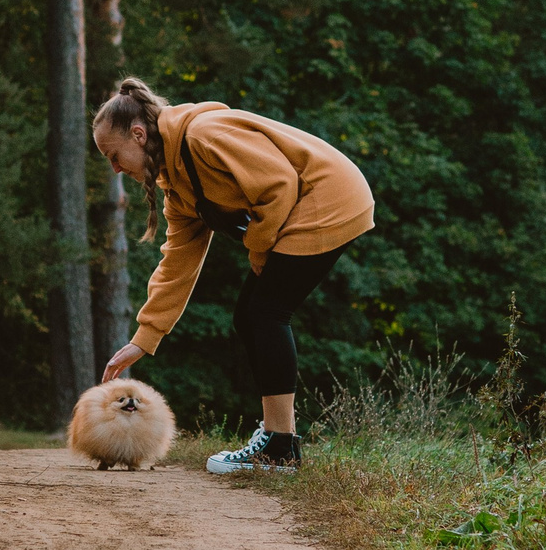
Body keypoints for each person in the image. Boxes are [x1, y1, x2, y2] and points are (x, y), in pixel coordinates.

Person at [90, 77, 373, 474]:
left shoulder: (205, 135)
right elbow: (178, 262)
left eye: (114, 155)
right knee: (249, 315)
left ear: (138, 135)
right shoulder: (178, 184)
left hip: (327, 198)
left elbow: (279, 185)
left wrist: (259, 249)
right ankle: (279, 438)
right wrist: (144, 338)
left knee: (266, 313)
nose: (116, 168)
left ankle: (279, 448)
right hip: (305, 205)